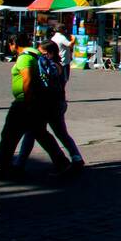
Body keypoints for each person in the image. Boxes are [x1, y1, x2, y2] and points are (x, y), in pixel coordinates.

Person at [0, 34, 73, 179]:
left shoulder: (25, 57)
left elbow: (27, 79)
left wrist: (27, 102)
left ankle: (2, 167)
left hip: (25, 102)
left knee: (9, 135)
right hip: (38, 101)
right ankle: (62, 162)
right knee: (40, 133)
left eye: (10, 45)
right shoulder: (36, 53)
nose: (10, 47)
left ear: (14, 43)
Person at [16, 41, 85, 170]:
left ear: (50, 53)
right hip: (58, 103)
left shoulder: (48, 65)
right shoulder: (59, 65)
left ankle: (20, 163)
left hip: (46, 104)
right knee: (60, 133)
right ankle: (76, 157)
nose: (39, 55)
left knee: (32, 132)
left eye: (42, 53)